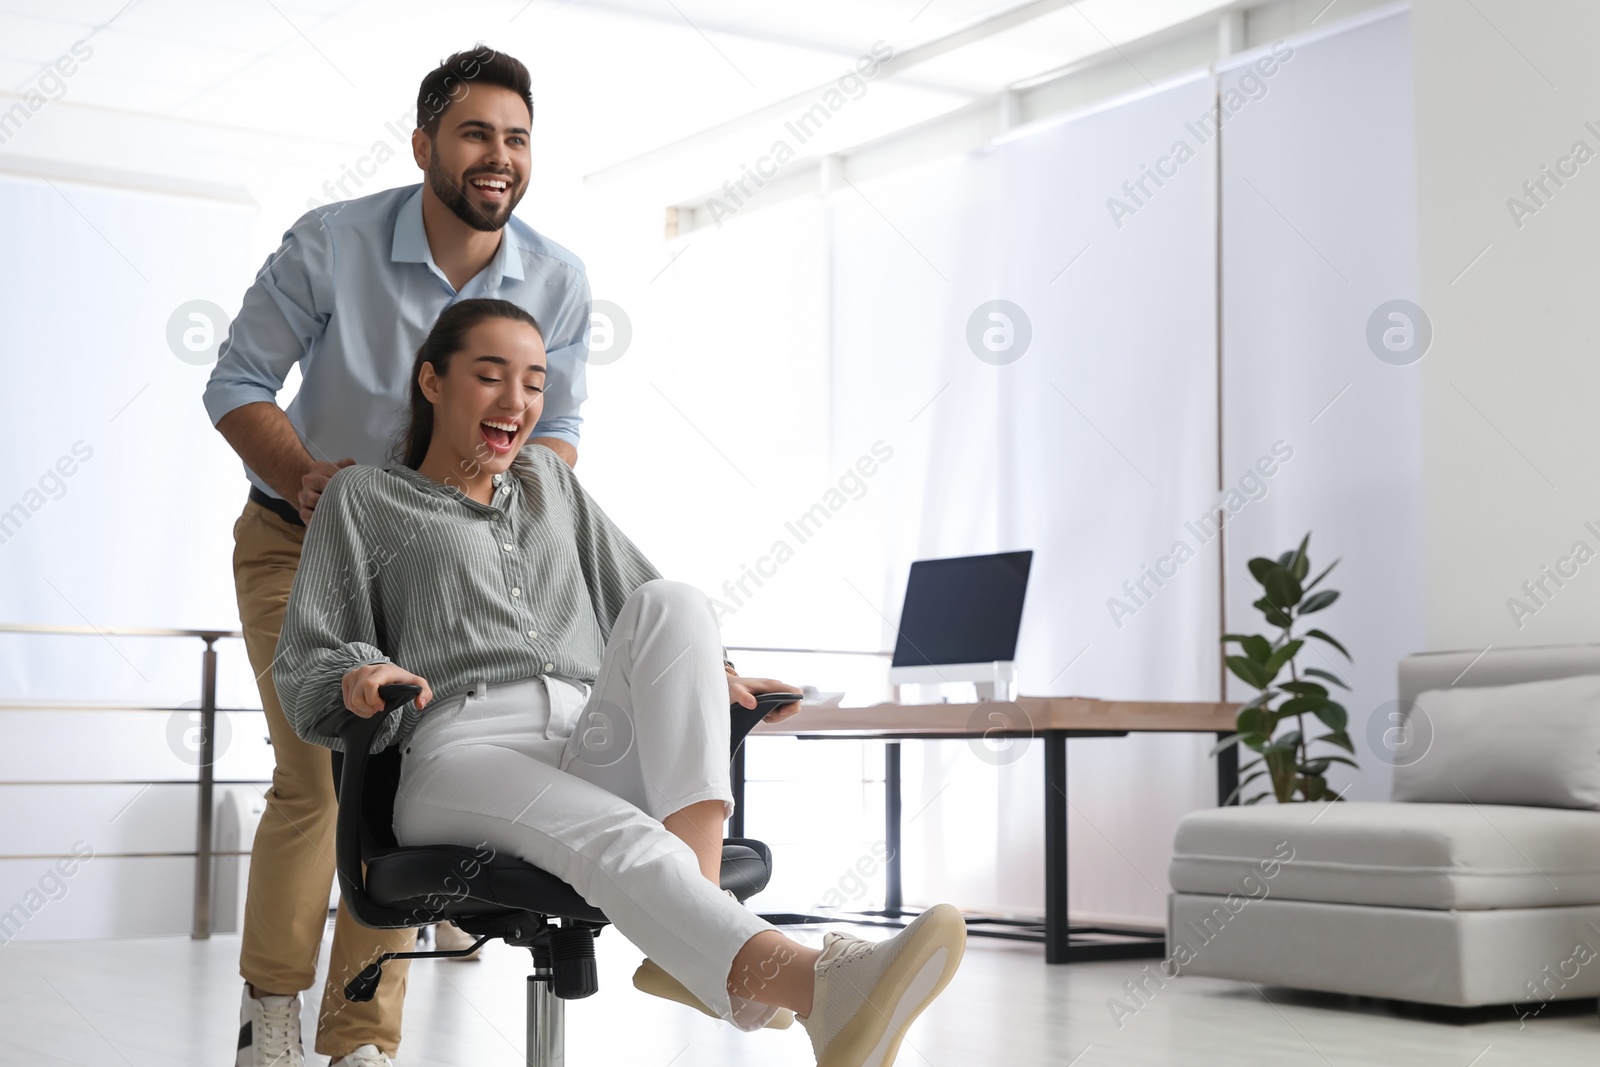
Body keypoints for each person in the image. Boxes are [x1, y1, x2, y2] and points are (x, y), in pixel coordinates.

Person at [274, 298, 968, 1067]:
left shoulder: (549, 484)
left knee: (679, 601)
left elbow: (642, 598)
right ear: (433, 381)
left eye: (535, 383)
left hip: (584, 730)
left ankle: (690, 946)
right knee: (624, 840)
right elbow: (307, 655)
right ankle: (818, 983)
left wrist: (715, 675)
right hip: (461, 752)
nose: (517, 402)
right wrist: (358, 673)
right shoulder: (364, 498)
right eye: (491, 376)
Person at [203, 47, 590, 1067]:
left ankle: (363, 1034)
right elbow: (236, 381)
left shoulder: (555, 278)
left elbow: (559, 438)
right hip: (299, 536)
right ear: (424, 145)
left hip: (433, 562)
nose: (496, 155)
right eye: (474, 132)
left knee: (396, 780)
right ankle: (272, 1009)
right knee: (320, 772)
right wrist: (299, 473)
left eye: (515, 137)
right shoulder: (333, 242)